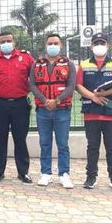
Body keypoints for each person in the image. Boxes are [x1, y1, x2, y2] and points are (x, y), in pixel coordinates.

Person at [75, 32, 112, 191]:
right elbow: (78, 85)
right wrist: (93, 96)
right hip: (91, 112)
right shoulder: (84, 64)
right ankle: (91, 177)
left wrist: (105, 93)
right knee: (92, 147)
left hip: (111, 113)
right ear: (91, 46)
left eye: (102, 43)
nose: (99, 46)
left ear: (108, 46)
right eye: (96, 43)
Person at [0, 31, 34, 183]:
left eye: (9, 40)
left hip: (20, 104)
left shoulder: (26, 57)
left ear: (14, 41)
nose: (6, 44)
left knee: (20, 139)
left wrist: (25, 90)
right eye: (3, 41)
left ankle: (23, 172)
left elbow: (34, 77)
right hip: (0, 104)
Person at [29, 34, 76, 189]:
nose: (53, 46)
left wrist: (57, 100)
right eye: (50, 43)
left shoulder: (68, 64)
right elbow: (32, 85)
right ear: (46, 45)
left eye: (56, 43)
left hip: (62, 109)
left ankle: (64, 174)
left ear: (61, 45)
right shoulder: (37, 64)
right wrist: (45, 100)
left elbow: (71, 85)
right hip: (43, 110)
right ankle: (46, 173)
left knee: (62, 144)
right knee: (45, 143)